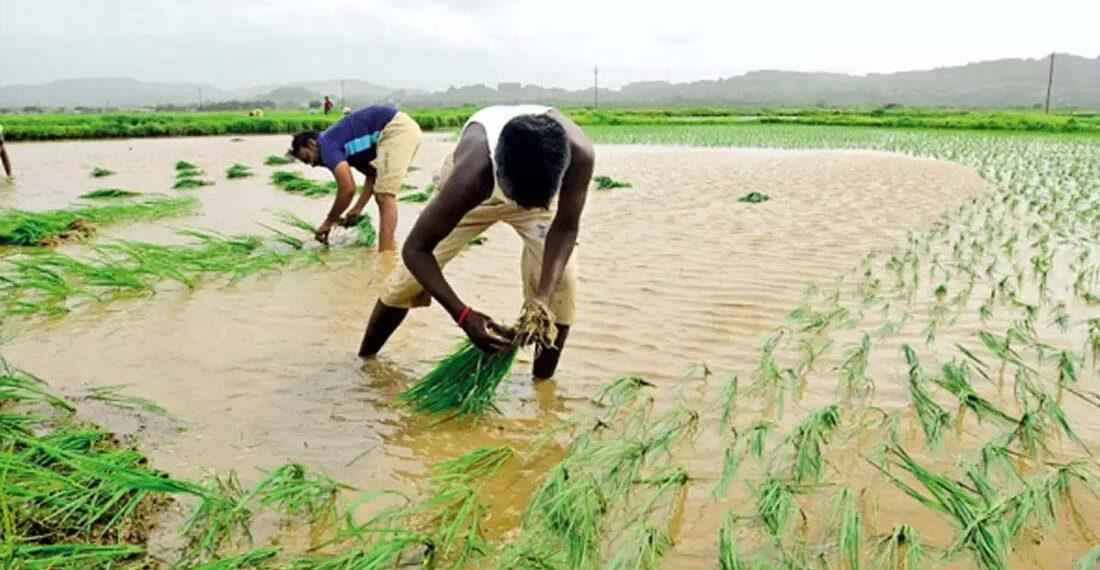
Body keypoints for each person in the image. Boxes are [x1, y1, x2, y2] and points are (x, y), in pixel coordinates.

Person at [359, 105, 593, 380]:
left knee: (561, 286)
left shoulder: (579, 155)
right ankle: (364, 363)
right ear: (499, 175)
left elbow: (565, 228)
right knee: (407, 281)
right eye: (514, 197)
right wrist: (462, 315)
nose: (516, 205)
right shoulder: (472, 175)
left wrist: (542, 300)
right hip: (477, 195)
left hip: (536, 186)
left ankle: (541, 389)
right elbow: (416, 249)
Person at [290, 105, 422, 251]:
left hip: (396, 129)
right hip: (402, 128)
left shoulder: (326, 145)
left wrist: (328, 221)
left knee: (384, 195)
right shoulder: (346, 149)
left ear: (312, 143)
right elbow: (373, 175)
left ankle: (386, 257)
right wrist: (357, 208)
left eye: (308, 158)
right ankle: (388, 251)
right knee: (382, 193)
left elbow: (347, 189)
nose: (313, 165)